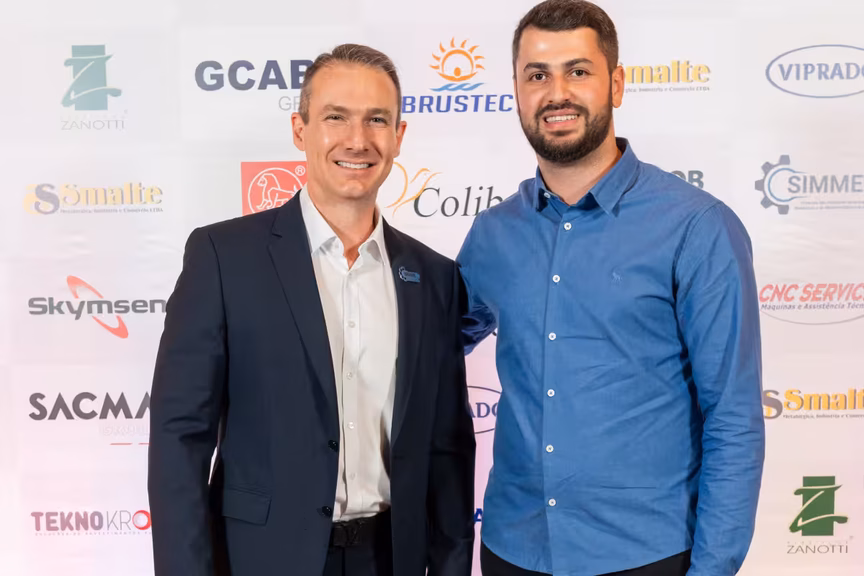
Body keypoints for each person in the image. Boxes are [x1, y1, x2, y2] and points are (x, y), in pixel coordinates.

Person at [457, 2, 765, 575]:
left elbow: (733, 417)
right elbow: (425, 345)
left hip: (646, 555)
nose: (557, 93)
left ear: (616, 84)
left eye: (578, 71)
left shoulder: (697, 228)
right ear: (517, 91)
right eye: (537, 75)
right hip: (512, 548)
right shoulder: (493, 235)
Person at [148, 44, 475, 576]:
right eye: (335, 117)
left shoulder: (433, 277)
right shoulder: (223, 258)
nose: (357, 139)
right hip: (261, 560)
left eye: (376, 120)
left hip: (390, 559)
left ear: (399, 136)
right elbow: (180, 438)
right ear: (300, 130)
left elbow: (448, 449)